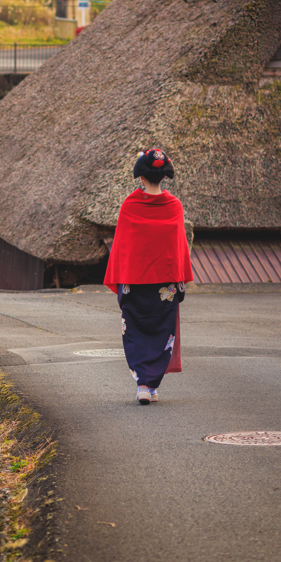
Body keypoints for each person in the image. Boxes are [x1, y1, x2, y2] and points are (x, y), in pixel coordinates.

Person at [104, 148, 193, 405]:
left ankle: (144, 384)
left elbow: (122, 245)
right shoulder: (174, 206)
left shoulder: (130, 205)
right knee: (162, 329)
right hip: (165, 284)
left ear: (141, 178)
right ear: (162, 178)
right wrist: (180, 278)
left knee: (135, 329)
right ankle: (150, 385)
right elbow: (178, 247)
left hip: (134, 280)